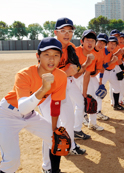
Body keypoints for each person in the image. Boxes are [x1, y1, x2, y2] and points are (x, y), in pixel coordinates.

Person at [0, 37, 65, 173]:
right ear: (38, 56)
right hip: (7, 115)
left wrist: (54, 129)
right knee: (12, 160)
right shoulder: (24, 74)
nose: (51, 59)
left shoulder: (61, 76)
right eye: (47, 55)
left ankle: (53, 171)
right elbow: (23, 106)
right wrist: (43, 89)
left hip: (30, 115)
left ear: (60, 58)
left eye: (56, 55)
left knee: (55, 140)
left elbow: (56, 104)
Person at [38, 18, 88, 173]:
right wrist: (67, 73)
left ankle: (71, 146)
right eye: (63, 31)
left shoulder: (71, 48)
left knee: (68, 120)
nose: (67, 34)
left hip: (62, 89)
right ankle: (47, 167)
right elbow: (46, 79)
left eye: (70, 31)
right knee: (50, 130)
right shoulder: (49, 47)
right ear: (55, 32)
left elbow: (77, 71)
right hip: (46, 94)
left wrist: (79, 68)